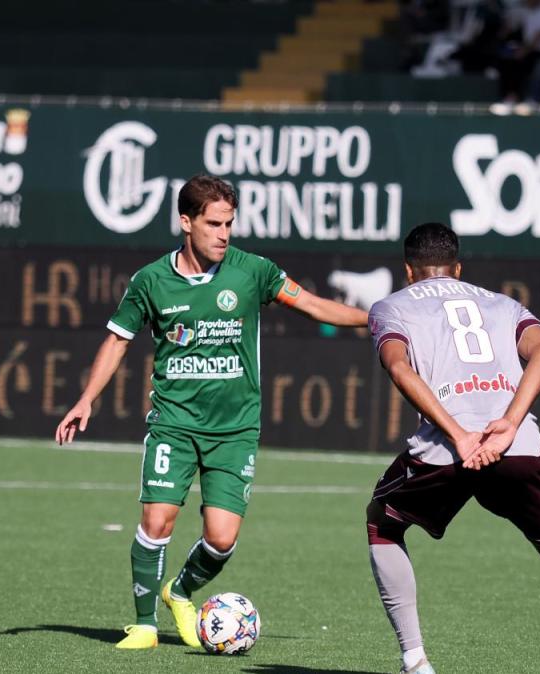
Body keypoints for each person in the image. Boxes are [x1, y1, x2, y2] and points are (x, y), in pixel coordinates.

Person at [54, 174, 368, 650]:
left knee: (221, 539)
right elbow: (118, 339)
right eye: (214, 223)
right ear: (186, 221)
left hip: (235, 430)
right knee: (157, 521)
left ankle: (179, 592)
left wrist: (375, 317)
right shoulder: (151, 281)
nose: (224, 234)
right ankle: (143, 624)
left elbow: (313, 305)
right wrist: (86, 399)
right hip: (173, 424)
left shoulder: (253, 271)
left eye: (230, 224)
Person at [364, 223, 540, 674]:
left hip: (448, 450)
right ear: (457, 269)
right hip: (515, 446)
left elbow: (400, 369)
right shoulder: (503, 303)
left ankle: (416, 661)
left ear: (408, 271)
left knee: (382, 526)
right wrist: (510, 423)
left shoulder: (389, 307)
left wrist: (459, 434)